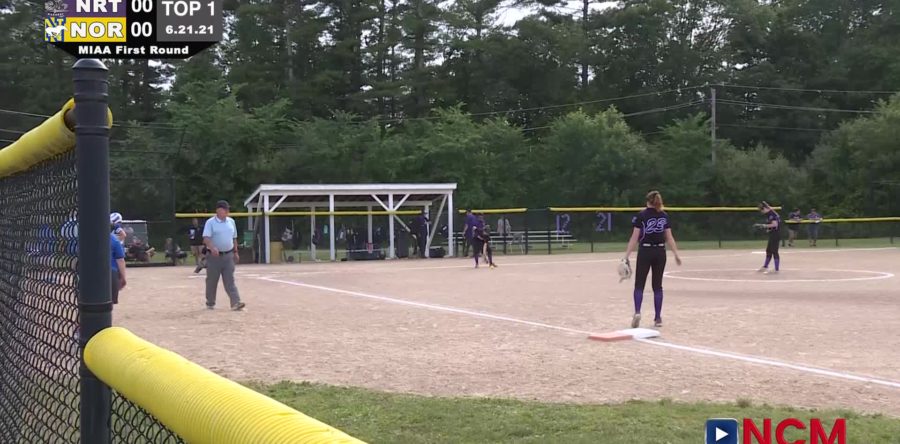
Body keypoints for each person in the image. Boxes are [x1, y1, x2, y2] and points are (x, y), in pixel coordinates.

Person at [623, 190, 682, 328]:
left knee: (639, 284)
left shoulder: (641, 215)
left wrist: (626, 256)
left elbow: (634, 238)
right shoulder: (664, 216)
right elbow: (669, 237)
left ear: (647, 201)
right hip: (660, 251)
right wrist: (676, 254)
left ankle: (638, 312)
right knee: (657, 286)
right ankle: (658, 318)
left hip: (645, 251)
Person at [203, 200, 245, 311]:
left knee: (230, 280)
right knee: (212, 281)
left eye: (227, 209)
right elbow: (206, 238)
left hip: (228, 255)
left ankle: (236, 302)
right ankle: (210, 302)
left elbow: (234, 238)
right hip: (214, 257)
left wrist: (235, 252)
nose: (227, 211)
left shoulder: (231, 222)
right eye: (225, 209)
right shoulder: (210, 222)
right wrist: (212, 247)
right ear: (218, 210)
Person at [757, 201, 782, 274]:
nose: (762, 212)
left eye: (762, 210)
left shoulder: (771, 214)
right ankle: (765, 266)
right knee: (769, 250)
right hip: (772, 234)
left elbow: (775, 224)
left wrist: (763, 226)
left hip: (775, 234)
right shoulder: (770, 214)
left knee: (774, 251)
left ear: (765, 208)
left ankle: (776, 269)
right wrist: (768, 229)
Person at [110, 232, 126, 304]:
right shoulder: (114, 239)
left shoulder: (84, 238)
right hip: (110, 273)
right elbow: (120, 260)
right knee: (108, 302)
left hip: (89, 273)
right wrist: (123, 278)